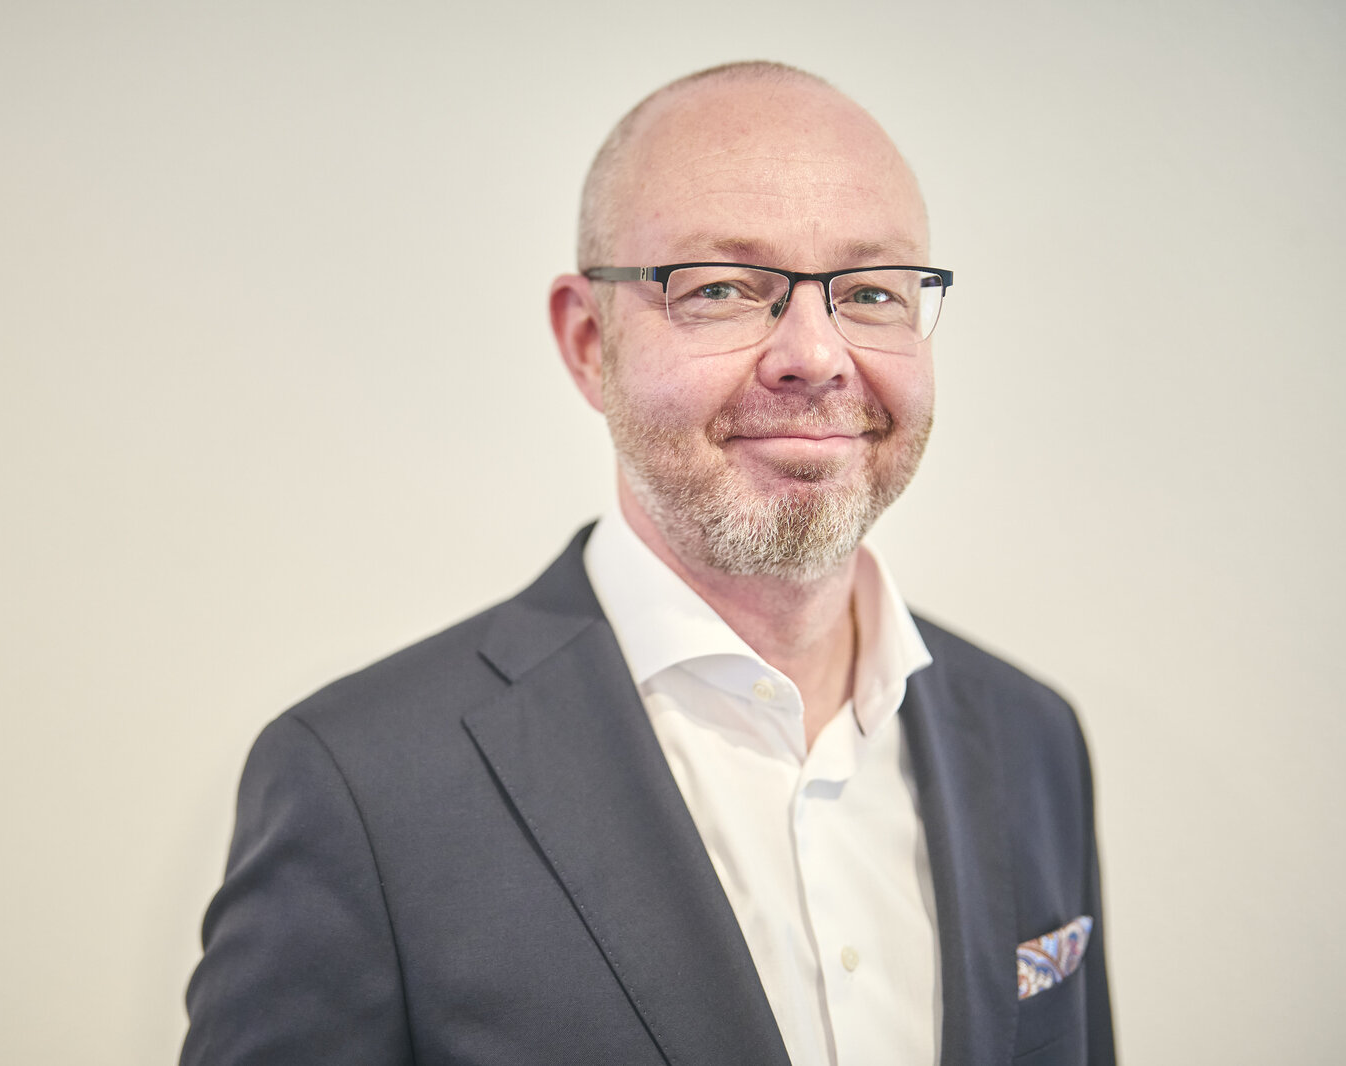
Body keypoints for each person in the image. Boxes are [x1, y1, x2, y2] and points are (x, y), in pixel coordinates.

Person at [182, 61, 1114, 1066]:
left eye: (871, 291)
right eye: (721, 288)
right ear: (589, 342)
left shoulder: (1032, 736)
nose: (814, 355)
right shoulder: (362, 785)